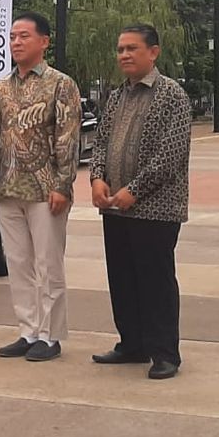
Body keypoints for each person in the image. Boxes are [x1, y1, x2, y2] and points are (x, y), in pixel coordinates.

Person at [90, 24, 192, 380]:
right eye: (120, 49)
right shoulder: (117, 96)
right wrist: (97, 178)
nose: (124, 55)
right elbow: (100, 142)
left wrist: (135, 189)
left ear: (154, 52)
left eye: (132, 48)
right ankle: (131, 344)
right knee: (122, 277)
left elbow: (171, 155)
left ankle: (165, 353)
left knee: (155, 281)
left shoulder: (171, 95)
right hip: (115, 206)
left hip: (156, 208)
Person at [0, 12, 81, 362]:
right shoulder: (1, 88)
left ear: (44, 41)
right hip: (8, 189)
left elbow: (68, 138)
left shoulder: (61, 84)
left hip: (45, 190)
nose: (16, 42)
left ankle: (51, 336)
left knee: (48, 265)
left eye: (24, 36)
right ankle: (28, 330)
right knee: (18, 264)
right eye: (12, 36)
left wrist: (62, 184)